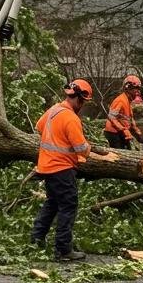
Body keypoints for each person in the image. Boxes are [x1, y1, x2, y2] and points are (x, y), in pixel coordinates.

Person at [31, 79, 93, 261]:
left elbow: (39, 127)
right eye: (84, 102)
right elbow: (81, 148)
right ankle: (63, 249)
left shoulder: (53, 110)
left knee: (52, 203)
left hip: (46, 166)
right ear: (79, 99)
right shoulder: (71, 118)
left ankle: (36, 238)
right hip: (62, 168)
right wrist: (89, 149)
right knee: (68, 205)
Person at [104, 75, 143, 152]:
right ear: (128, 89)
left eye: (138, 89)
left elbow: (130, 120)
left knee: (127, 151)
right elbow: (111, 117)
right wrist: (124, 130)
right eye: (135, 89)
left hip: (120, 132)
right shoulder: (120, 100)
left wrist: (139, 134)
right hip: (113, 133)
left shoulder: (128, 101)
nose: (137, 92)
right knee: (119, 155)